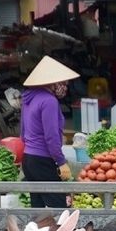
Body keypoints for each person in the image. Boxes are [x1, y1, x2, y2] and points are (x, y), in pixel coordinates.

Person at [20, 55, 79, 208]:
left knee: (37, 209)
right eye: (62, 83)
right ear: (52, 83)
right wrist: (61, 162)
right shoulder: (49, 101)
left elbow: (23, 133)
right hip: (42, 160)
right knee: (59, 209)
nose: (65, 86)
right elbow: (51, 137)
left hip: (28, 159)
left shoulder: (28, 98)